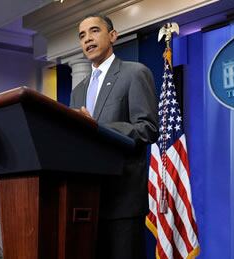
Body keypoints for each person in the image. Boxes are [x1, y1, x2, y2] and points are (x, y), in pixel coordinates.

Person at [70, 13, 160, 259]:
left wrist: (98, 127)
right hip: (86, 202)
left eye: (94, 31)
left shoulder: (134, 73)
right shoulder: (78, 91)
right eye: (82, 35)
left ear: (112, 36)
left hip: (122, 200)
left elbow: (147, 128)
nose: (87, 39)